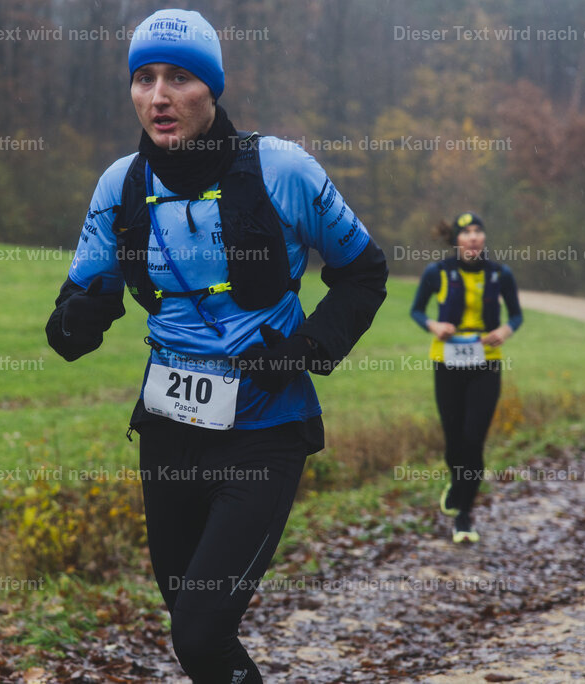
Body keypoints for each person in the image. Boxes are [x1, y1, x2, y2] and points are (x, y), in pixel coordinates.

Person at [45, 9, 388, 682]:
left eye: (179, 78)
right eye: (143, 78)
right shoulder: (120, 187)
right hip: (169, 432)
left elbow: (363, 271)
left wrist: (308, 345)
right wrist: (76, 322)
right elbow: (73, 311)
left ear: (212, 89)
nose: (158, 96)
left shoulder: (281, 168)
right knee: (191, 627)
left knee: (202, 633)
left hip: (266, 427)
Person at [410, 212, 522, 543]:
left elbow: (516, 315)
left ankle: (464, 515)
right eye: (466, 232)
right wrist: (433, 325)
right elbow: (417, 310)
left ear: (484, 238)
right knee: (454, 439)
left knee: (473, 439)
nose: (473, 237)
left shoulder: (500, 274)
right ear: (456, 240)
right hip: (447, 362)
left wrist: (504, 330)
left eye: (478, 231)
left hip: (485, 363)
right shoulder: (438, 272)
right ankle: (457, 483)